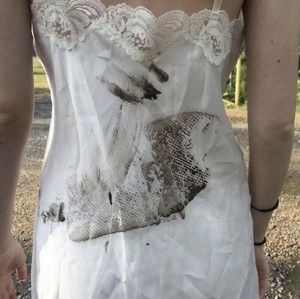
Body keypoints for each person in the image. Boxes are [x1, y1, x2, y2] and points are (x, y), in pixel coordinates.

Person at [0, 0, 299, 298]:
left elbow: (6, 113)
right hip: (212, 247)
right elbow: (275, 128)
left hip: (79, 255)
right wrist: (257, 236)